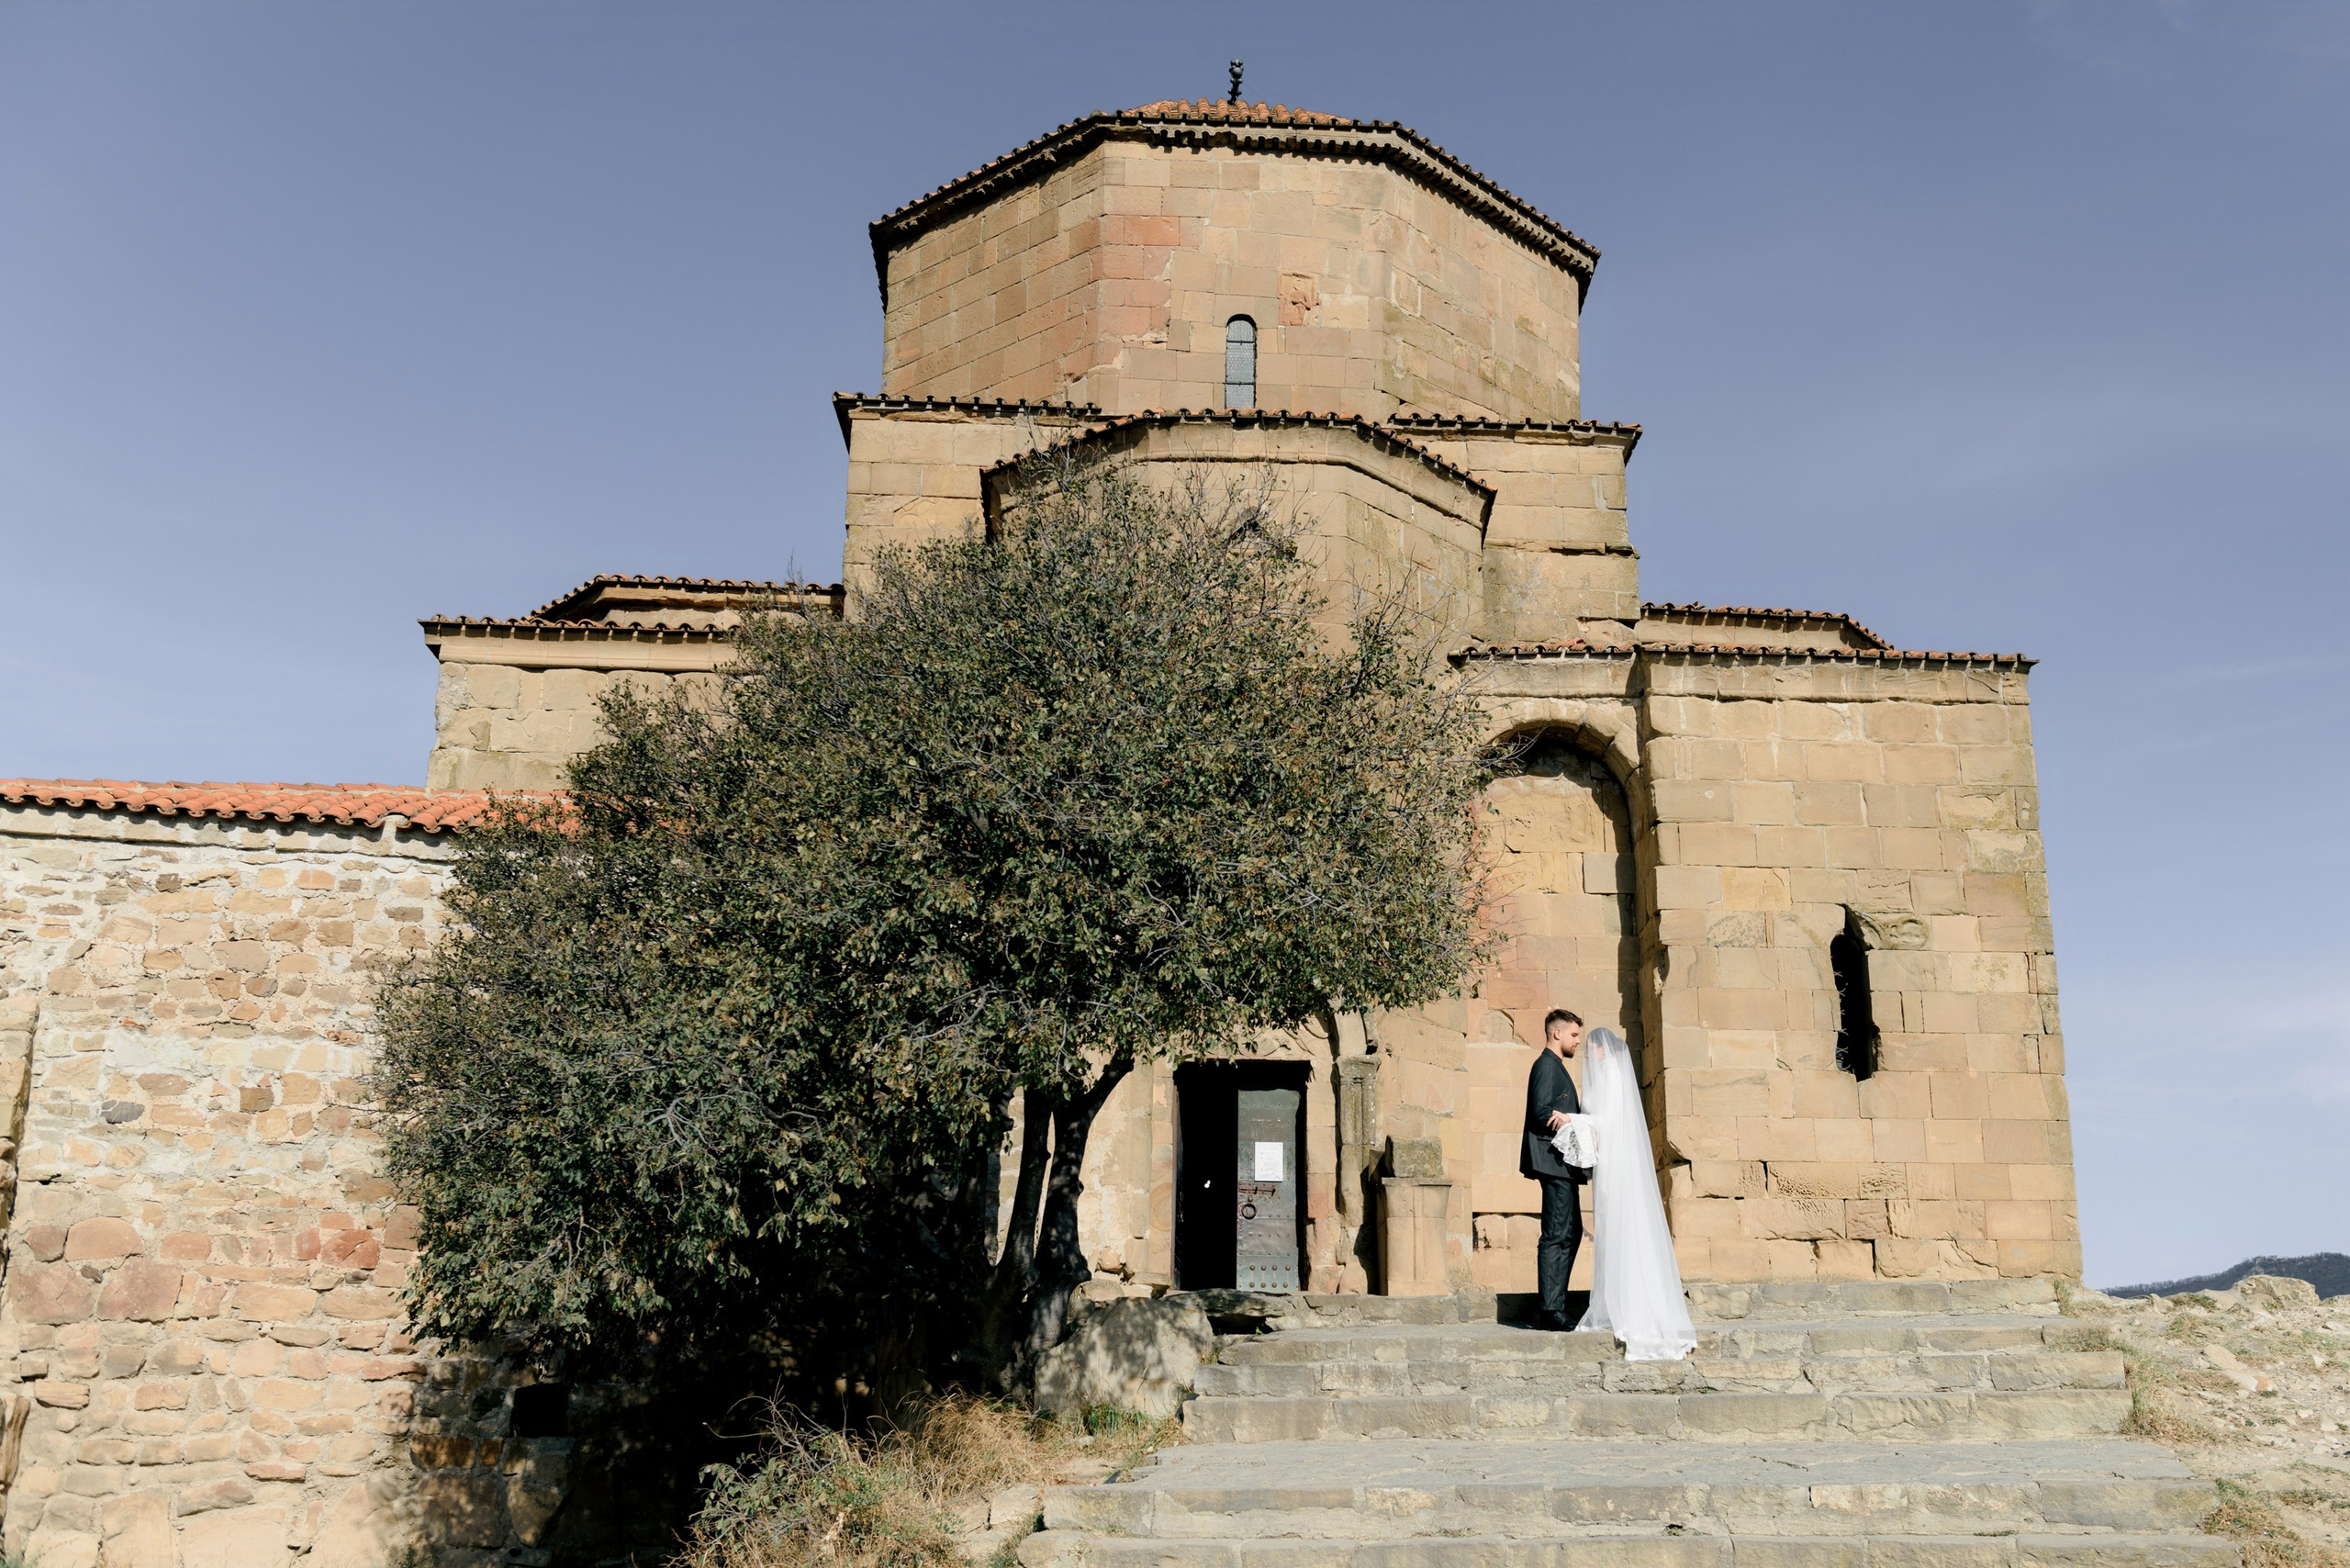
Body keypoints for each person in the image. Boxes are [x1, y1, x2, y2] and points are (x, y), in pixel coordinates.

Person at [1561, 1025, 1697, 1361]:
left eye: (1589, 1046)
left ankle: (1630, 1306)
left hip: (1615, 1164)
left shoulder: (1608, 1074)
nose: (1586, 1052)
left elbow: (1607, 1121)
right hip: (1613, 1161)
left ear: (1602, 1050)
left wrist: (1572, 1119)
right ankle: (1620, 1300)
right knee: (1619, 1232)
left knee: (1620, 1230)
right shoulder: (1612, 1074)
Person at [1519, 1008, 1588, 1331]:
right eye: (1574, 1034)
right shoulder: (1546, 1066)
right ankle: (1550, 1310)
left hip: (1564, 1165)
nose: (1578, 1041)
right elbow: (1540, 1111)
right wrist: (1572, 1122)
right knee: (1557, 1234)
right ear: (1557, 1033)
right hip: (1554, 1163)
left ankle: (1554, 1304)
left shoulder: (1557, 1066)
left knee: (1571, 1234)